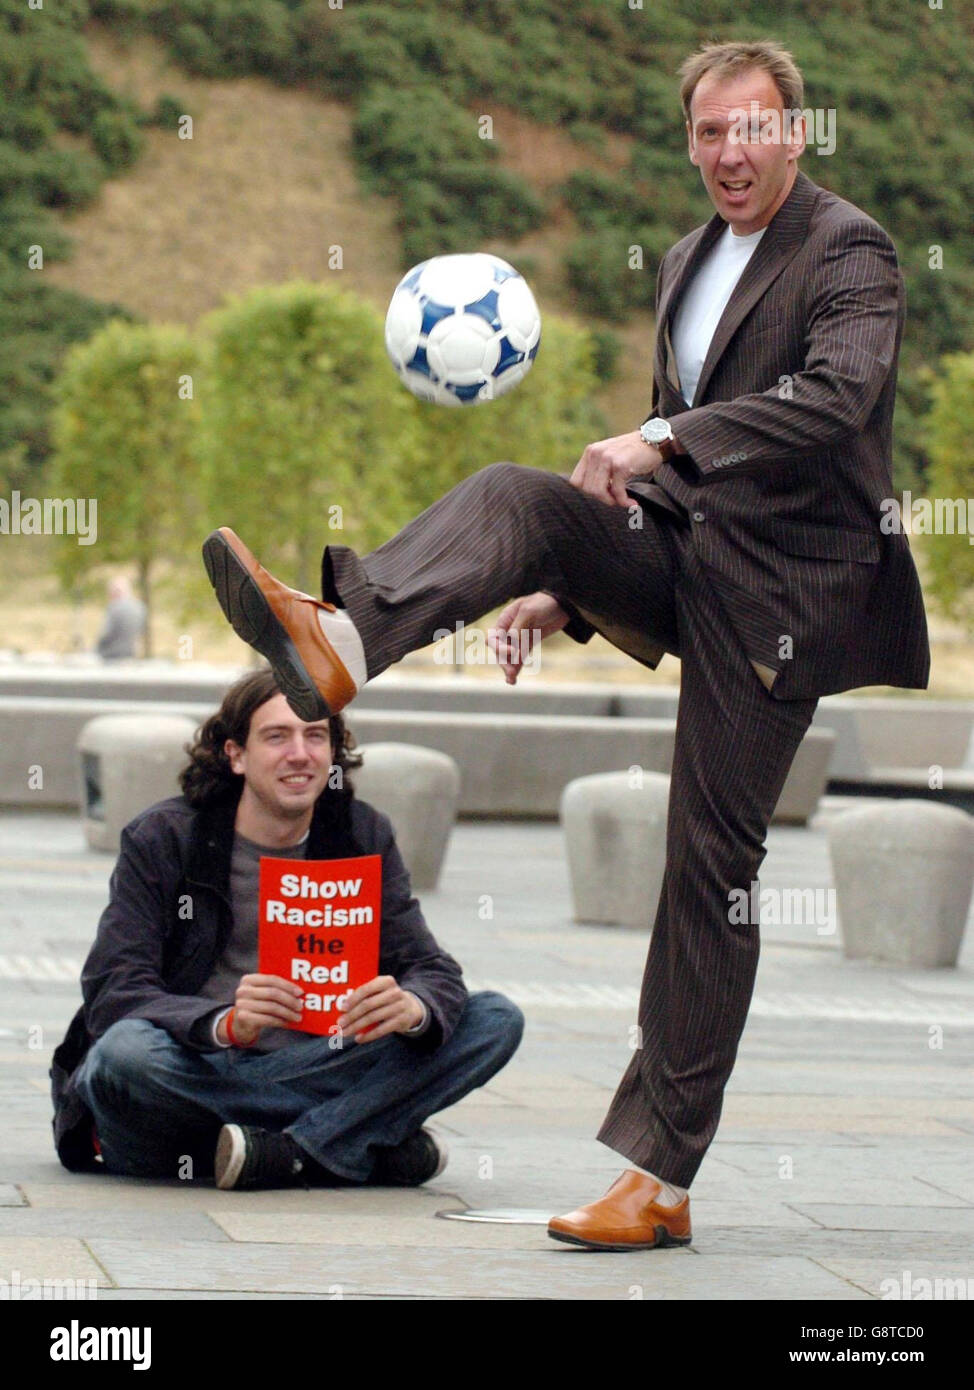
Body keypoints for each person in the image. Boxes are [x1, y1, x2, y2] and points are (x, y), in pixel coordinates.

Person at [201, 40, 929, 1246]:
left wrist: (662, 438)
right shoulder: (691, 260)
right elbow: (673, 478)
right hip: (687, 555)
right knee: (523, 498)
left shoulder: (846, 249)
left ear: (796, 135)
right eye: (706, 133)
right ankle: (341, 638)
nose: (727, 153)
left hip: (782, 606)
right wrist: (574, 589)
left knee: (708, 869)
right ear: (689, 141)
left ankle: (657, 1179)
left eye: (750, 129)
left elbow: (830, 402)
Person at [50, 669, 524, 1189]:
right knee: (124, 1055)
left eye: (315, 735)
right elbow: (114, 991)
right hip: (194, 1068)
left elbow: (431, 969)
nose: (300, 753)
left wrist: (414, 1008)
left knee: (493, 1018)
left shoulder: (362, 834)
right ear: (236, 754)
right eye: (277, 736)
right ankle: (349, 1139)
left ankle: (292, 1151)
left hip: (317, 1060)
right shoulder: (165, 837)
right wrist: (224, 1023)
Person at [94, 576, 147, 660]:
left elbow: (106, 634)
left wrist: (96, 649)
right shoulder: (140, 608)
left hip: (110, 655)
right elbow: (142, 631)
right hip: (130, 653)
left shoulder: (114, 608)